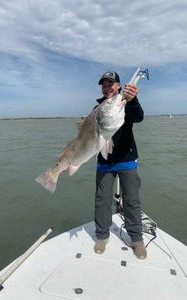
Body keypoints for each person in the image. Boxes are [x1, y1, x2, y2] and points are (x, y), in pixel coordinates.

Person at [94, 71, 147, 260]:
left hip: (127, 160)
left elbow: (138, 117)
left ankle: (136, 239)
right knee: (102, 200)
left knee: (132, 200)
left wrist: (132, 100)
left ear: (118, 86)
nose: (107, 87)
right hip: (105, 161)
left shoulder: (125, 102)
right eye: (104, 85)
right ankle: (101, 235)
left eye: (110, 84)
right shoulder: (98, 108)